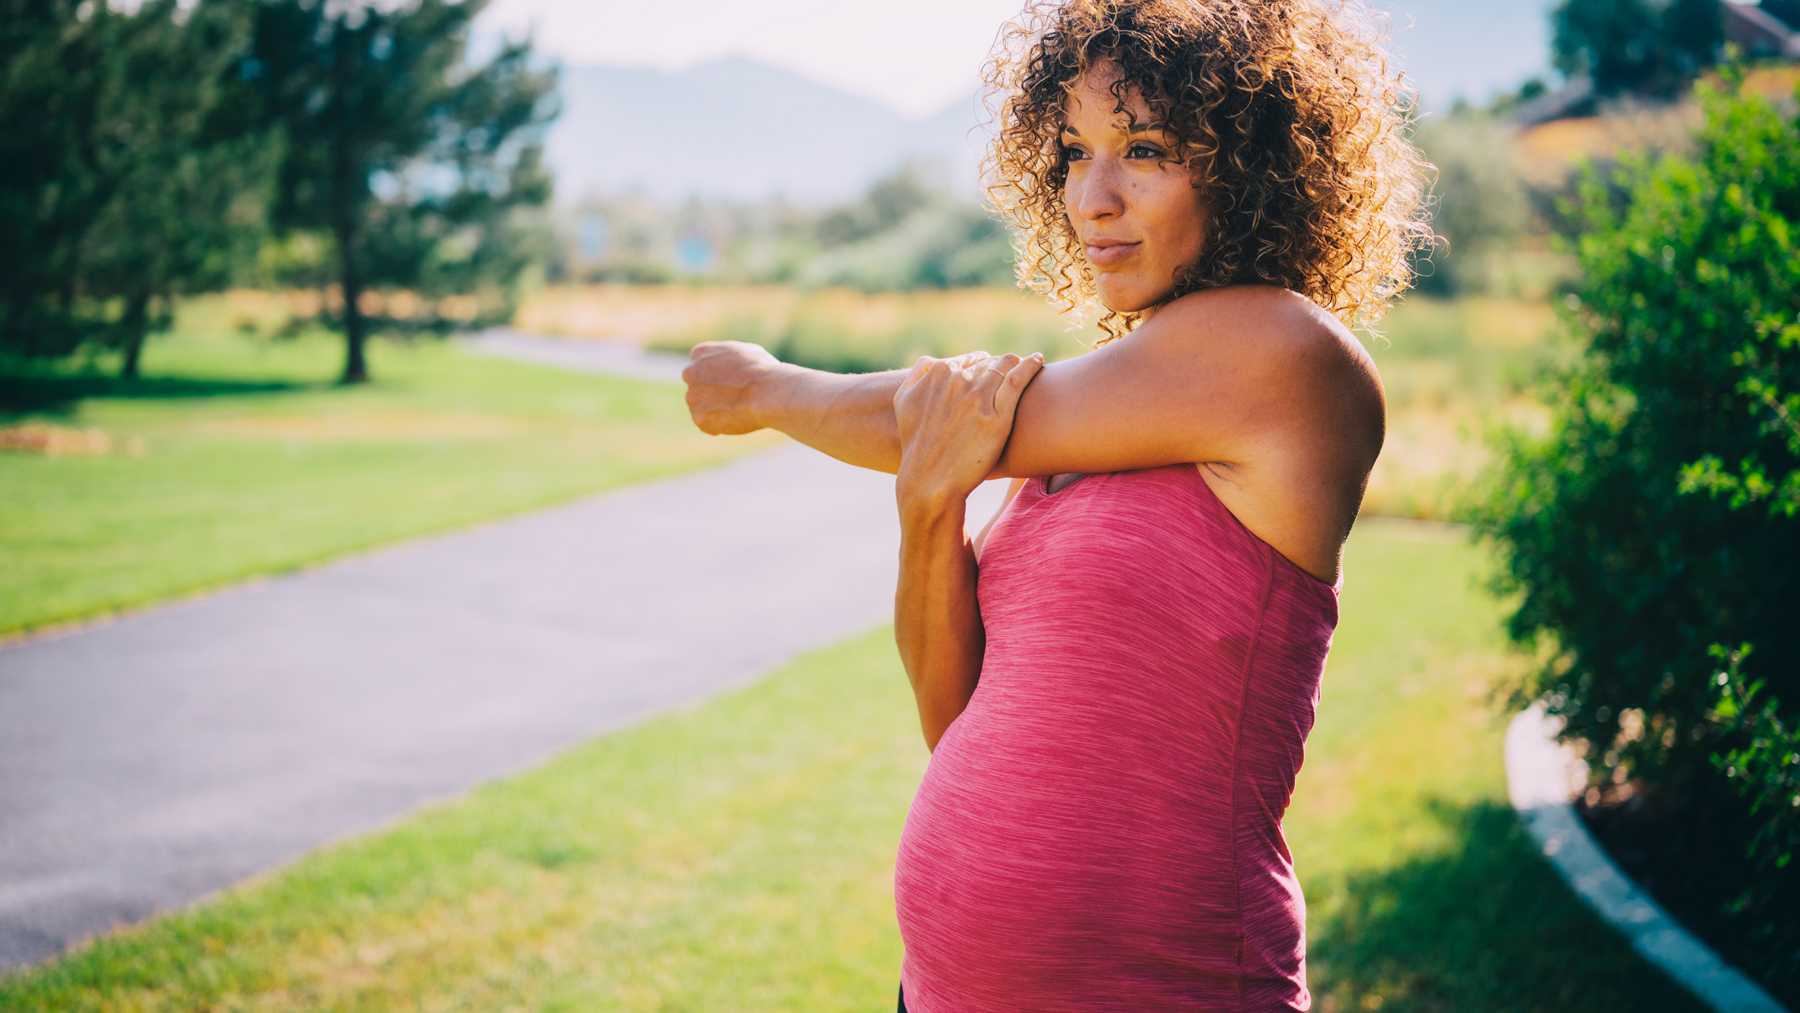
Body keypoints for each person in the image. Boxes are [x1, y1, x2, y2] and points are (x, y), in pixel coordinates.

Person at [680, 0, 1429, 1008]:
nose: (1095, 195)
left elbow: (922, 416)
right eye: (1074, 152)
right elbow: (952, 717)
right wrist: (929, 506)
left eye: (1146, 149)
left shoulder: (1289, 358)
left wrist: (767, 388)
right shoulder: (1090, 416)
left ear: (1252, 165)